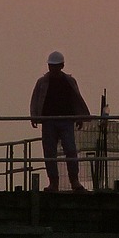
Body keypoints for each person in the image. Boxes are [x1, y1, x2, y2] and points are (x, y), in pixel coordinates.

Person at [29, 50, 91, 192]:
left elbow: (75, 99)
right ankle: (54, 183)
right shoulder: (42, 82)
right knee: (50, 152)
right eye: (51, 66)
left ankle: (74, 181)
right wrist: (34, 116)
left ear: (62, 66)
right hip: (48, 121)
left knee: (70, 150)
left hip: (66, 120)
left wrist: (79, 117)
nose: (53, 68)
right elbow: (35, 99)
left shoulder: (69, 81)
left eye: (55, 65)